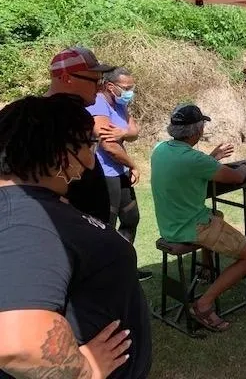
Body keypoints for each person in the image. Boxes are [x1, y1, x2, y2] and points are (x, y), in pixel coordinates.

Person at [0, 94, 151, 379]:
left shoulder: (28, 206)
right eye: (89, 144)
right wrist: (85, 371)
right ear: (61, 152)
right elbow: (17, 343)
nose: (90, 163)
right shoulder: (25, 220)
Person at [150, 103, 246, 332]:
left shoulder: (159, 149)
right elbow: (236, 177)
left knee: (216, 214)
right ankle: (202, 305)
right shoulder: (196, 160)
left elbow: (187, 168)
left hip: (169, 224)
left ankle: (207, 269)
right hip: (192, 227)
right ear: (197, 131)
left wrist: (211, 158)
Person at [87, 67, 151, 282]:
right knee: (107, 225)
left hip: (119, 171)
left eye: (132, 87)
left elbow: (134, 131)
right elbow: (109, 145)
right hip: (104, 174)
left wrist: (123, 132)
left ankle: (123, 267)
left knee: (131, 218)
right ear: (109, 86)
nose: (130, 92)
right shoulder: (98, 103)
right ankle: (104, 275)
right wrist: (133, 165)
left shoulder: (120, 104)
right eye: (126, 88)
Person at [45, 45, 114, 223]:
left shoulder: (69, 114)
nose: (100, 89)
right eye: (94, 81)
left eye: (102, 81)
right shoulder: (45, 119)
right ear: (67, 78)